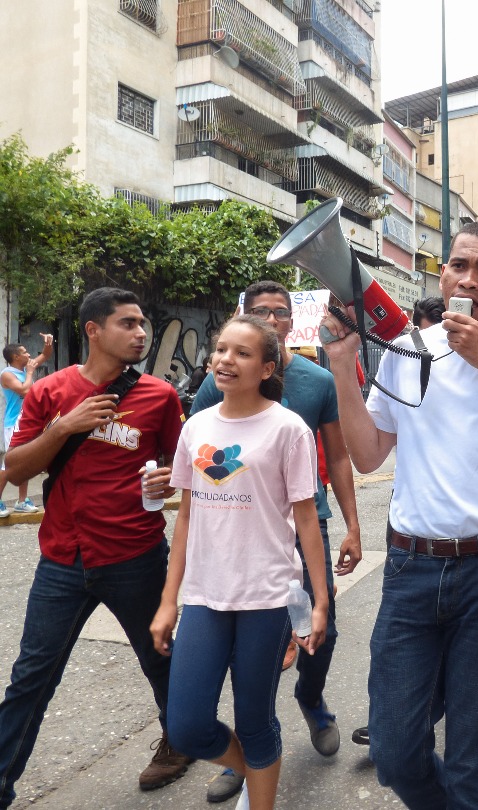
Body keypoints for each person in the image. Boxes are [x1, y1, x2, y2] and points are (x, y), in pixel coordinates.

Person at [321, 220, 478, 808]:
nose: (469, 279)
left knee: (474, 763)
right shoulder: (407, 349)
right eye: (460, 265)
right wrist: (340, 365)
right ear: (442, 274)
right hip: (412, 570)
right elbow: (367, 453)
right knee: (394, 747)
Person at [0, 288, 190, 807]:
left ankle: (179, 742)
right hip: (61, 559)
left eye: (143, 323)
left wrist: (165, 482)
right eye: (127, 323)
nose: (141, 333)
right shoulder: (50, 393)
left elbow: (180, 471)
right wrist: (63, 428)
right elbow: (15, 470)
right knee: (31, 677)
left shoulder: (160, 396)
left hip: (136, 556)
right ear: (93, 330)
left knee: (163, 660)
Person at [190, 281, 362, 804]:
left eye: (280, 312)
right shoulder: (217, 380)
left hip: (307, 523)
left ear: (294, 321)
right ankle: (248, 754)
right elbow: (200, 448)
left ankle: (312, 699)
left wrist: (353, 525)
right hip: (241, 536)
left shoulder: (315, 381)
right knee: (248, 652)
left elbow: (336, 457)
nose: (270, 318)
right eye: (258, 311)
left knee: (322, 631)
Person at [151, 315, 328, 810]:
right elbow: (186, 516)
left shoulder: (288, 429)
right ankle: (249, 770)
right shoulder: (197, 427)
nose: (226, 359)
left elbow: (307, 521)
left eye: (242, 353)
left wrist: (320, 603)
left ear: (266, 367)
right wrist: (170, 601)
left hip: (267, 596)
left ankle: (260, 796)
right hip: (207, 594)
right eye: (221, 349)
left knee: (255, 719)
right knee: (186, 724)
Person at [0, 336, 54, 516]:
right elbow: (25, 390)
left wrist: (48, 343)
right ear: (15, 357)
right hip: (13, 423)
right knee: (9, 465)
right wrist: (30, 373)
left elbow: (45, 355)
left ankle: (22, 501)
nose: (29, 355)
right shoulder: (8, 374)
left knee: (25, 461)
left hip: (27, 422)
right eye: (24, 353)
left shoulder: (24, 368)